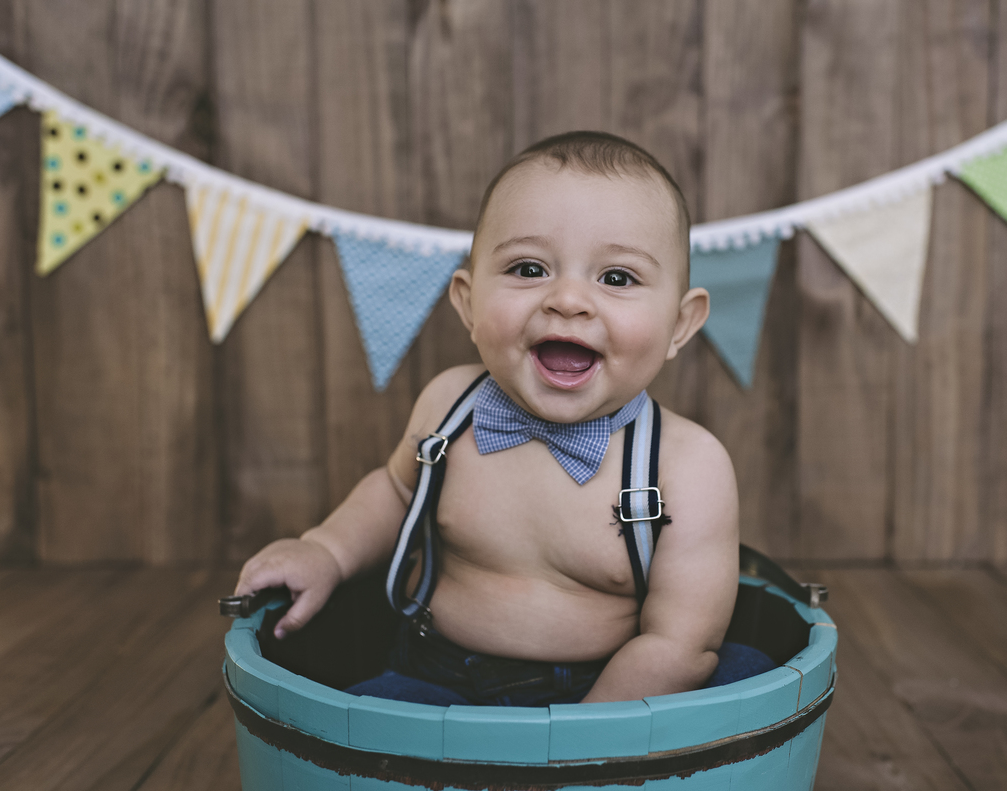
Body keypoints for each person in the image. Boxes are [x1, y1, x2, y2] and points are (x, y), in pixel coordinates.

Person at [234, 131, 772, 707]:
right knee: (358, 721)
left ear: (681, 325)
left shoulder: (686, 467)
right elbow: (394, 492)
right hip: (432, 675)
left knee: (744, 678)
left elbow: (679, 642)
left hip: (604, 692)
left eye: (617, 278)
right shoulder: (450, 405)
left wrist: (579, 743)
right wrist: (325, 551)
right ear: (467, 301)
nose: (567, 300)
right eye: (528, 268)